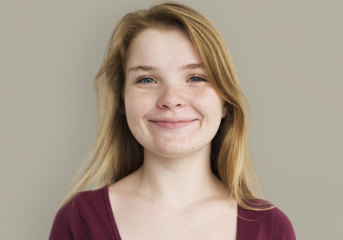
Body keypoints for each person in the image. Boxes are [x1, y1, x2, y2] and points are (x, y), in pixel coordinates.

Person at [49, 1, 296, 239]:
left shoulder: (271, 229)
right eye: (147, 79)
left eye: (196, 78)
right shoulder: (78, 221)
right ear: (122, 102)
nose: (171, 99)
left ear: (224, 101)